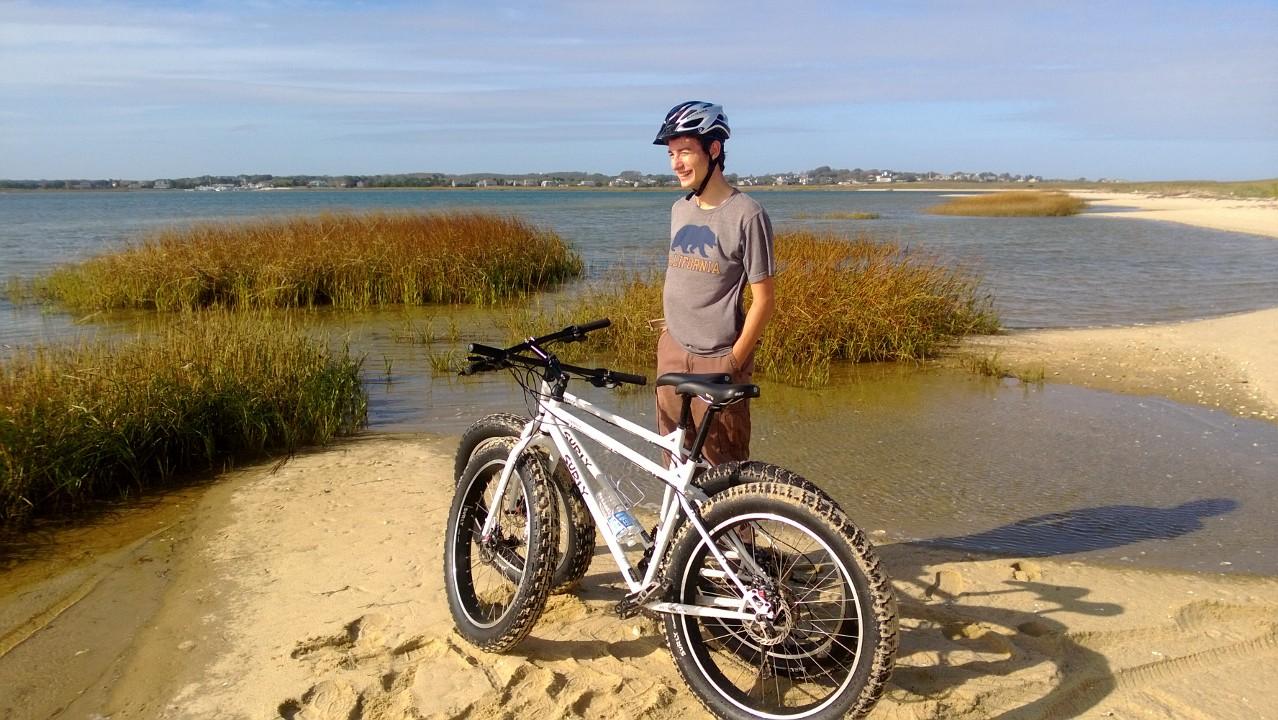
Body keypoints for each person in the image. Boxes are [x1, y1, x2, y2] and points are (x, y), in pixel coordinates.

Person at [652, 101, 776, 464]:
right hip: (672, 354)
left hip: (718, 360)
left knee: (725, 472)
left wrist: (733, 361)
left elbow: (765, 300)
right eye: (672, 153)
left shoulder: (747, 215)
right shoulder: (680, 209)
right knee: (674, 466)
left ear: (714, 149)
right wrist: (670, 329)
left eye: (686, 152)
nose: (676, 163)